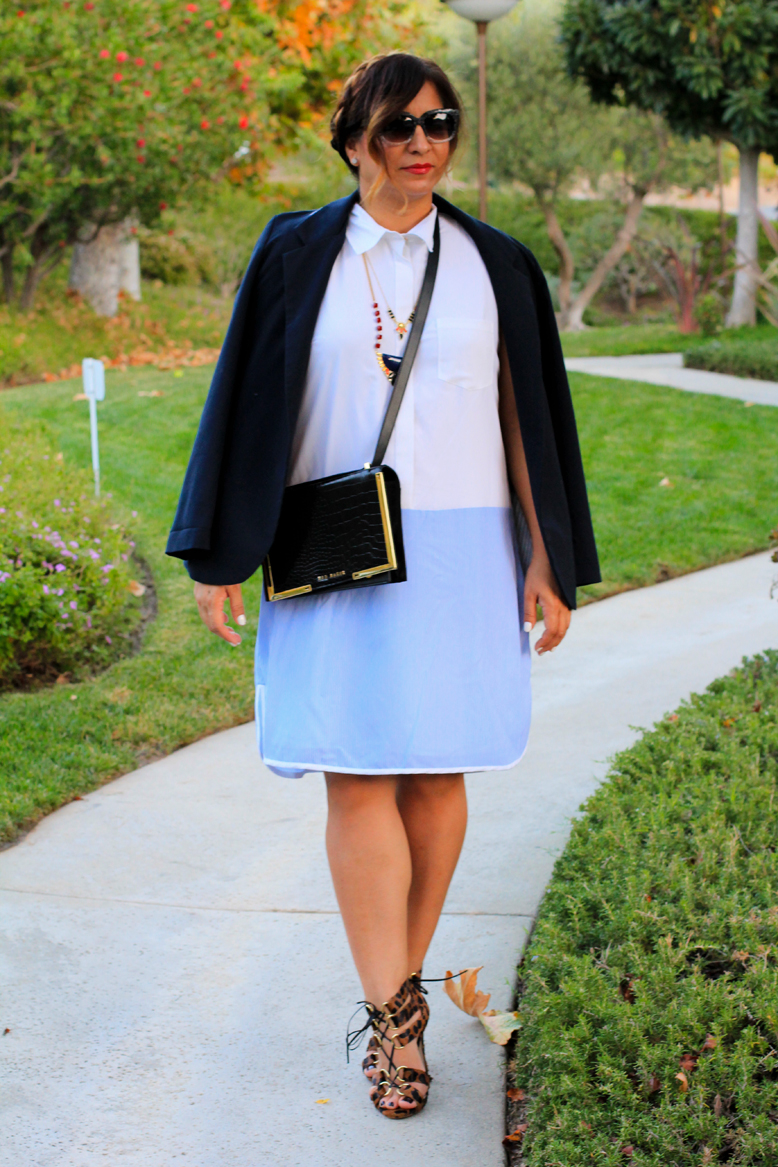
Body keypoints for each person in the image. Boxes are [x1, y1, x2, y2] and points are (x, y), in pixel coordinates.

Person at [166, 52, 600, 1119]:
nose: (422, 142)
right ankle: (392, 1019)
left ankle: (393, 1002)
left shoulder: (496, 263)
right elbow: (239, 401)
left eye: (439, 123)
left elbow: (529, 419)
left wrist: (549, 557)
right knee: (357, 773)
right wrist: (219, 552)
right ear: (354, 138)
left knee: (435, 773)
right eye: (399, 125)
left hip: (461, 544)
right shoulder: (294, 251)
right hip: (328, 543)